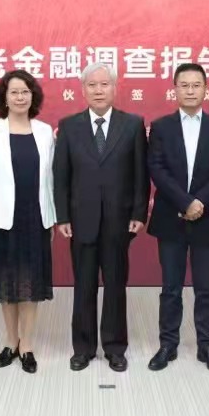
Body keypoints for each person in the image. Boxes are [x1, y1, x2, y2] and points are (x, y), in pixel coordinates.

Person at [53, 62, 149, 373]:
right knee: (83, 286)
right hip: (81, 220)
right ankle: (83, 348)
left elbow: (140, 173)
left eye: (104, 84)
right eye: (92, 85)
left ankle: (115, 347)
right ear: (83, 90)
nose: (98, 90)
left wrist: (138, 212)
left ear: (114, 88)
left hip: (119, 221)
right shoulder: (69, 126)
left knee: (116, 286)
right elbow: (61, 176)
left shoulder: (132, 124)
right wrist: (62, 216)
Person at [146, 63, 209, 374]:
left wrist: (200, 202)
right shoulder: (160, 127)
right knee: (170, 287)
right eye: (183, 85)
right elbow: (156, 168)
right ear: (174, 90)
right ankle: (167, 344)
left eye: (196, 85)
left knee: (205, 288)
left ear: (206, 90)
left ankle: (206, 345)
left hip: (207, 217)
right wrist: (185, 202)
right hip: (170, 217)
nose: (190, 90)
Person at [0, 70, 56, 374]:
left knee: (31, 283)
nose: (20, 97)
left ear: (33, 97)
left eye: (25, 92)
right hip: (0, 219)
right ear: (4, 98)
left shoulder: (45, 132)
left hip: (36, 217)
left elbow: (51, 180)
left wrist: (52, 219)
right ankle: (11, 341)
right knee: (7, 283)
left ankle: (27, 344)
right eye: (14, 92)